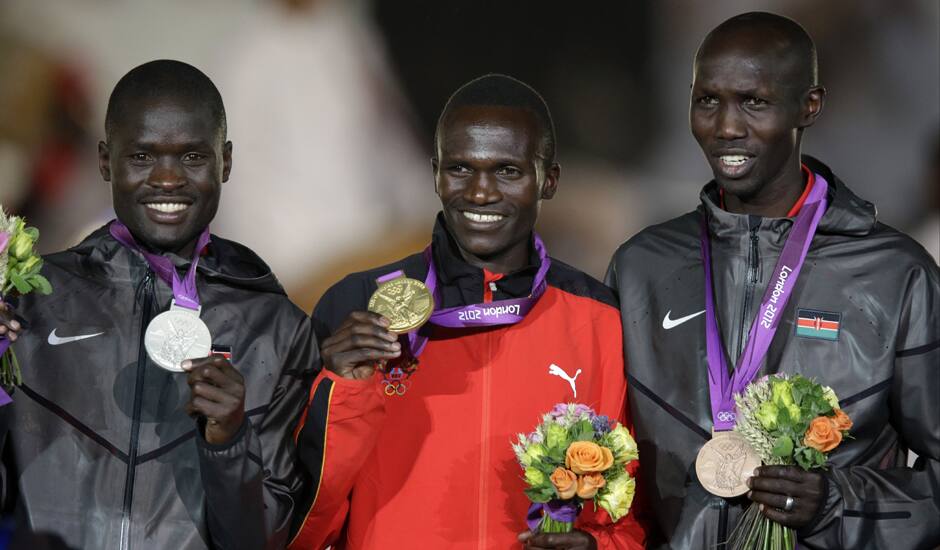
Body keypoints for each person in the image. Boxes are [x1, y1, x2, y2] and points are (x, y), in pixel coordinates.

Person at [605, 12, 940, 549]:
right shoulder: (644, 266)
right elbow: (613, 473)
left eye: (753, 102)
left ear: (809, 106)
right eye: (707, 100)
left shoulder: (893, 273)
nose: (726, 127)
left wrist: (838, 502)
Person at [289, 74, 645, 549]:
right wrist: (343, 391)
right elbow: (303, 526)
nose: (480, 193)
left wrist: (596, 547)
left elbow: (631, 518)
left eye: (508, 171)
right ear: (434, 173)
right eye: (460, 169)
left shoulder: (602, 319)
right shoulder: (356, 306)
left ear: (550, 180)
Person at [0, 60, 317, 549]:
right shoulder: (33, 299)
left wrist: (229, 441)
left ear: (225, 161)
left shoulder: (276, 326)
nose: (168, 179)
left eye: (192, 157)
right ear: (106, 160)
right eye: (142, 157)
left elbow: (263, 540)